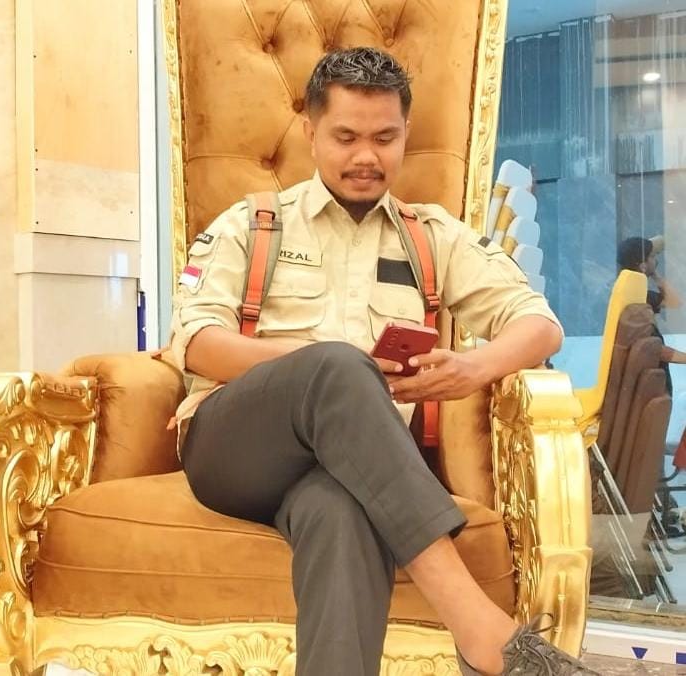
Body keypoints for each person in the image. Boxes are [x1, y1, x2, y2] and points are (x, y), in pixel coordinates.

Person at [170, 48, 596, 676]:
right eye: (346, 137)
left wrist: (472, 369)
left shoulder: (431, 236)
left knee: (341, 514)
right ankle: (480, 629)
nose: (365, 156)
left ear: (405, 134)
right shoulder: (255, 224)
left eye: (384, 138)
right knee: (338, 367)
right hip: (236, 449)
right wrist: (320, 363)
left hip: (355, 467)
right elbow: (196, 339)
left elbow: (539, 324)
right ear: (312, 132)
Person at [617, 236, 686, 396]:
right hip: (648, 386)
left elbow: (674, 301)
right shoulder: (636, 302)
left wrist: (654, 273)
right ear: (642, 265)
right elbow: (653, 349)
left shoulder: (638, 293)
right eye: (652, 256)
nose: (656, 260)